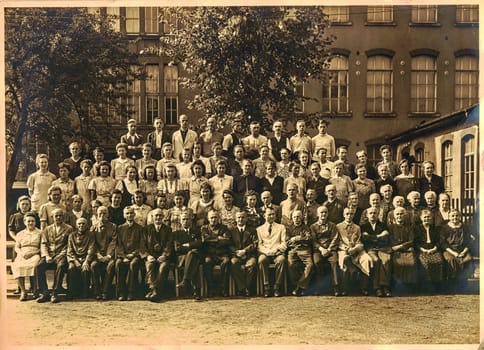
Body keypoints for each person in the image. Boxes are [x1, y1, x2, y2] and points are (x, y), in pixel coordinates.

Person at [333, 208, 373, 296]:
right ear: (344, 215)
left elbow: (359, 241)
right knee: (345, 259)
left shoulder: (357, 227)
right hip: (344, 250)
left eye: (351, 214)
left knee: (367, 260)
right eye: (347, 214)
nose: (349, 216)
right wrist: (345, 248)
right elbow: (337, 241)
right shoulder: (338, 227)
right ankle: (345, 288)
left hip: (357, 250)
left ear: (354, 215)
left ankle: (364, 287)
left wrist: (355, 248)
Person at [36, 209, 72, 303]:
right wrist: (47, 256)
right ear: (52, 218)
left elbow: (69, 245)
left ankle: (55, 292)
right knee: (39, 266)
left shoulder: (69, 228)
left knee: (61, 266)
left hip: (62, 254)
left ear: (63, 217)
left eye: (60, 216)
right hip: (49, 254)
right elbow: (43, 244)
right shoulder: (47, 229)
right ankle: (45, 292)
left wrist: (61, 255)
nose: (58, 217)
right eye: (56, 216)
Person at [115, 206, 146, 301]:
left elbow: (142, 245)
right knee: (119, 264)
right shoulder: (120, 228)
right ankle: (121, 292)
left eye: (131, 213)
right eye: (127, 213)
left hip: (135, 255)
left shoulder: (140, 228)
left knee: (133, 264)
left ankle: (131, 292)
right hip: (123, 255)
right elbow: (118, 244)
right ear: (124, 215)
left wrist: (133, 254)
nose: (129, 215)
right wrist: (123, 256)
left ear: (134, 214)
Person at [360, 207, 392, 297]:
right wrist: (379, 236)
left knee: (386, 261)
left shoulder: (383, 225)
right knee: (376, 260)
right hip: (371, 249)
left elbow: (385, 239)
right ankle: (377, 288)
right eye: (370, 213)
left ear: (378, 215)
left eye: (375, 213)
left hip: (382, 248)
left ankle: (385, 286)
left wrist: (371, 237)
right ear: (367, 215)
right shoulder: (364, 227)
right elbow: (365, 240)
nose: (373, 215)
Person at [143, 208, 174, 302]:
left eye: (160, 215)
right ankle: (155, 290)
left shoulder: (168, 229)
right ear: (152, 217)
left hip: (163, 257)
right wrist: (148, 256)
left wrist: (164, 255)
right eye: (156, 215)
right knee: (150, 265)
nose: (158, 217)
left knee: (163, 267)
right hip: (151, 256)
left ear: (163, 217)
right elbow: (142, 245)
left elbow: (169, 244)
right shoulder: (147, 229)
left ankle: (154, 290)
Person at [440, 209, 474, 292]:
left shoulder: (464, 227)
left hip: (462, 249)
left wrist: (463, 252)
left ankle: (463, 283)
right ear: (449, 217)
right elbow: (443, 243)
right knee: (451, 260)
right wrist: (454, 253)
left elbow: (469, 241)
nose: (455, 217)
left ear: (460, 217)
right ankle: (452, 283)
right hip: (449, 250)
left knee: (468, 259)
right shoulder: (445, 228)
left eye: (457, 215)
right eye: (452, 216)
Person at [257, 207, 287, 297]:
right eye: (269, 214)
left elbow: (284, 242)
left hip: (277, 252)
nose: (271, 216)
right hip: (265, 253)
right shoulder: (259, 229)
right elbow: (259, 245)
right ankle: (266, 287)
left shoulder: (281, 227)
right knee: (261, 260)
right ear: (264, 215)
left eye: (273, 214)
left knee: (281, 260)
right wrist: (266, 252)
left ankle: (277, 287)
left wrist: (276, 250)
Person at [11, 212, 42, 301]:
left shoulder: (40, 233)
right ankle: (24, 292)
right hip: (22, 254)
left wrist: (33, 253)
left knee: (34, 266)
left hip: (35, 253)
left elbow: (42, 247)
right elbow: (17, 247)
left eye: (32, 221)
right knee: (18, 266)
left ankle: (35, 290)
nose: (30, 223)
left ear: (35, 222)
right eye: (28, 221)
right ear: (25, 222)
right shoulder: (20, 234)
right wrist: (21, 253)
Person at [201, 209, 232, 297]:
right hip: (210, 254)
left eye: (215, 217)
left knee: (226, 261)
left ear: (218, 218)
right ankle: (211, 288)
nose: (213, 219)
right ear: (208, 218)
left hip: (222, 253)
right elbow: (204, 240)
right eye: (211, 217)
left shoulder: (224, 228)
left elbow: (227, 241)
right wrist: (218, 238)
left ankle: (223, 288)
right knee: (207, 262)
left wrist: (211, 239)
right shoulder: (204, 228)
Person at [310, 206, 339, 296]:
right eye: (321, 212)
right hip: (318, 250)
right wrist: (321, 249)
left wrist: (329, 249)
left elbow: (335, 238)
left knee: (334, 262)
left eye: (325, 212)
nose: (323, 214)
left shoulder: (333, 225)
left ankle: (336, 286)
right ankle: (319, 287)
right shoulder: (313, 226)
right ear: (317, 214)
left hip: (330, 250)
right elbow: (313, 241)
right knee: (317, 262)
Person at [173, 211, 203, 301]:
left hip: (195, 256)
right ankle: (196, 292)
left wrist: (188, 245)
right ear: (180, 221)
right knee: (194, 260)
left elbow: (200, 243)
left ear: (191, 220)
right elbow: (177, 248)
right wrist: (191, 247)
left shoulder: (197, 231)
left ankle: (185, 280)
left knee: (193, 256)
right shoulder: (176, 233)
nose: (185, 221)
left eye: (187, 219)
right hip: (181, 258)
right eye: (183, 219)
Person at [229, 209, 258, 297]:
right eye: (238, 217)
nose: (240, 219)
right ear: (235, 218)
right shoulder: (231, 230)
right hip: (236, 255)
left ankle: (248, 288)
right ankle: (242, 288)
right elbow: (228, 244)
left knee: (252, 264)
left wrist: (245, 251)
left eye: (243, 217)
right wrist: (236, 252)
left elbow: (255, 243)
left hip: (249, 254)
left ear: (246, 218)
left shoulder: (252, 230)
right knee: (234, 263)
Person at [90, 206, 117, 300]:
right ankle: (97, 291)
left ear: (108, 215)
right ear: (97, 215)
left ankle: (105, 291)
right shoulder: (93, 227)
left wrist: (108, 255)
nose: (102, 215)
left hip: (109, 255)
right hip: (97, 255)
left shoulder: (113, 226)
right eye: (100, 213)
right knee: (93, 265)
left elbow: (113, 242)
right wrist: (98, 254)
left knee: (111, 265)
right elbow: (92, 243)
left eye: (104, 213)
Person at [414, 209, 444, 293]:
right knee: (425, 263)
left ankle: (437, 286)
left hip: (433, 249)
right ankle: (426, 286)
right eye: (425, 217)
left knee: (439, 262)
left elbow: (439, 241)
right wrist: (422, 249)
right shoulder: (417, 229)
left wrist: (434, 249)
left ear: (431, 218)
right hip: (422, 250)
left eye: (428, 217)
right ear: (421, 218)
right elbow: (415, 242)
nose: (426, 219)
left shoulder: (435, 229)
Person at [388, 207, 417, 293]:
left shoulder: (409, 227)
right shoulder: (391, 227)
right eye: (397, 214)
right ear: (394, 216)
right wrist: (396, 247)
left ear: (405, 215)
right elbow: (390, 240)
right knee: (397, 264)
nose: (399, 216)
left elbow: (411, 240)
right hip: (395, 251)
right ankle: (398, 286)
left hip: (407, 250)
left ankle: (409, 287)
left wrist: (401, 246)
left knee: (411, 263)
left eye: (401, 214)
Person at [286, 209, 314, 296]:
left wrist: (296, 238)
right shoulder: (289, 228)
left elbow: (308, 238)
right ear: (292, 218)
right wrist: (301, 238)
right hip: (293, 250)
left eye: (298, 217)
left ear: (302, 217)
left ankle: (299, 286)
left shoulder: (306, 227)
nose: (296, 219)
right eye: (294, 217)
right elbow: (287, 242)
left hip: (304, 250)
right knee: (290, 264)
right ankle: (298, 285)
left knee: (310, 265)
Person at [66, 217, 94, 299]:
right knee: (71, 268)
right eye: (79, 224)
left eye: (83, 223)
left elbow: (91, 249)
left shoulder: (90, 235)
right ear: (76, 225)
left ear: (87, 225)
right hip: (73, 258)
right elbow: (70, 250)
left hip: (85, 257)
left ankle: (85, 291)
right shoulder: (72, 235)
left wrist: (86, 261)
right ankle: (71, 291)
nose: (81, 225)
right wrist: (75, 260)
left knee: (85, 269)